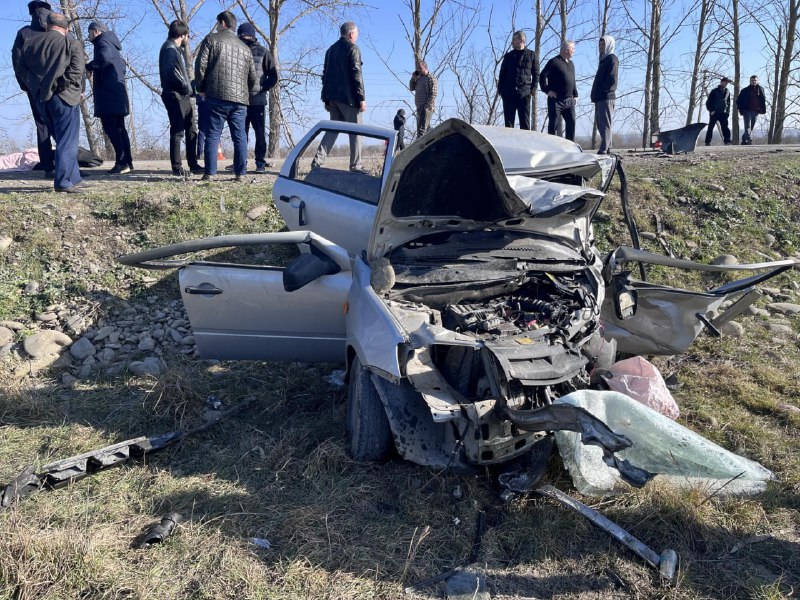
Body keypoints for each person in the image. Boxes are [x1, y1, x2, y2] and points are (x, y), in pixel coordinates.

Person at [21, 12, 84, 193]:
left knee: (60, 138)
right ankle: (63, 181)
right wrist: (58, 86)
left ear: (48, 25)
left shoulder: (31, 44)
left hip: (41, 99)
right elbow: (76, 71)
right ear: (66, 28)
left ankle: (74, 177)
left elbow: (22, 69)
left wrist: (36, 88)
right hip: (64, 97)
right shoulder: (71, 43)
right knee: (67, 140)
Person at [194, 11, 256, 181]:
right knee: (240, 136)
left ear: (222, 23)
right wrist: (245, 93)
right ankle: (241, 174)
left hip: (216, 94)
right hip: (240, 99)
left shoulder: (212, 39)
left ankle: (210, 173)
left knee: (213, 134)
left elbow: (200, 66)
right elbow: (252, 77)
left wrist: (200, 87)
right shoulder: (245, 47)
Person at [311, 22, 366, 172]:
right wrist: (361, 98)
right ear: (351, 34)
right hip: (348, 98)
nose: (357, 36)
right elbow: (356, 73)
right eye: (357, 33)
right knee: (356, 132)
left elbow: (325, 74)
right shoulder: (353, 48)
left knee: (332, 130)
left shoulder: (330, 50)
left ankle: (317, 162)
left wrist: (326, 97)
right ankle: (356, 165)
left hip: (331, 97)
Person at [12, 1, 56, 178]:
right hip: (58, 86)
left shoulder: (23, 33)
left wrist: (27, 84)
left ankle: (48, 167)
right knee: (63, 125)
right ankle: (68, 165)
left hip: (35, 87)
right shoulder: (56, 30)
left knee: (42, 125)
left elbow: (17, 62)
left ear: (31, 13)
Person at [86, 21, 133, 174]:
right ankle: (128, 162)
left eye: (89, 32)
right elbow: (122, 68)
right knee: (120, 128)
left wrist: (90, 66)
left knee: (110, 127)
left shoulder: (103, 43)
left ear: (96, 31)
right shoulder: (113, 45)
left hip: (108, 94)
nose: (88, 36)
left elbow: (104, 59)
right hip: (117, 93)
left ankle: (122, 162)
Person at [159, 20, 203, 176]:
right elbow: (171, 74)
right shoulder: (170, 49)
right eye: (187, 36)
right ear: (182, 35)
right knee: (178, 131)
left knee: (191, 130)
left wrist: (189, 89)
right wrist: (187, 88)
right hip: (175, 95)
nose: (188, 39)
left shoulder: (174, 49)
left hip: (182, 95)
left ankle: (193, 163)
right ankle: (177, 167)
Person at [237, 22, 278, 173]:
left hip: (257, 100)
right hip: (239, 100)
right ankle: (241, 163)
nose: (243, 38)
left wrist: (263, 87)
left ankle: (260, 163)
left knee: (259, 133)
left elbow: (273, 76)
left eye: (245, 35)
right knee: (241, 134)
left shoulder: (263, 52)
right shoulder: (237, 51)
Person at [497, 31, 538, 130]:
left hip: (524, 94)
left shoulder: (532, 55)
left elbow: (536, 74)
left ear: (521, 40)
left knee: (525, 123)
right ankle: (508, 144)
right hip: (508, 94)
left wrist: (533, 88)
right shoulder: (508, 56)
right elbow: (502, 74)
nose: (512, 42)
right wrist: (500, 90)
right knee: (508, 125)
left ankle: (524, 145)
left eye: (514, 40)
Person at [539, 40, 578, 141]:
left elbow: (572, 80)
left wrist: (576, 95)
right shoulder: (554, 62)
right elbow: (542, 76)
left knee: (571, 122)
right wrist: (547, 90)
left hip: (569, 100)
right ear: (566, 50)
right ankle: (552, 146)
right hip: (556, 100)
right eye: (572, 49)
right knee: (554, 124)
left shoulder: (572, 64)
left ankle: (570, 147)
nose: (574, 51)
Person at [590, 35, 618, 154]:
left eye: (603, 44)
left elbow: (612, 79)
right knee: (601, 123)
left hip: (606, 97)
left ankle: (604, 148)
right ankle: (607, 147)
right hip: (599, 98)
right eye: (600, 44)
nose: (601, 47)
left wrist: (602, 90)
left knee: (605, 123)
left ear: (609, 45)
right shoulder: (603, 60)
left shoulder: (612, 59)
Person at [409, 60, 437, 138]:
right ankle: (436, 139)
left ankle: (419, 148)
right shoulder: (419, 78)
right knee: (427, 128)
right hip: (419, 106)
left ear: (425, 67)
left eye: (420, 68)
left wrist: (426, 106)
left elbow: (433, 94)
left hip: (426, 107)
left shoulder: (430, 78)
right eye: (417, 68)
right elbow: (411, 88)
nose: (418, 69)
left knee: (421, 129)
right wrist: (413, 78)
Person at [736, 75, 767, 145]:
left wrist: (762, 109)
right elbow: (738, 101)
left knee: (751, 127)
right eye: (752, 80)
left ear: (757, 81)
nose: (754, 82)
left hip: (756, 111)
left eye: (755, 80)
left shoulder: (761, 89)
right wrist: (740, 109)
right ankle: (749, 139)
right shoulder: (744, 90)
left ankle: (744, 140)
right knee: (747, 126)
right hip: (746, 110)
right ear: (750, 81)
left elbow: (763, 100)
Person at [704, 77, 732, 146]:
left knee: (725, 127)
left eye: (727, 83)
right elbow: (708, 102)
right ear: (721, 82)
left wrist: (727, 112)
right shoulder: (714, 91)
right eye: (725, 82)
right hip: (715, 112)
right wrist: (711, 110)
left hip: (723, 113)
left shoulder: (727, 91)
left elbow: (728, 103)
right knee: (711, 127)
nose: (726, 84)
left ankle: (727, 141)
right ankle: (707, 142)